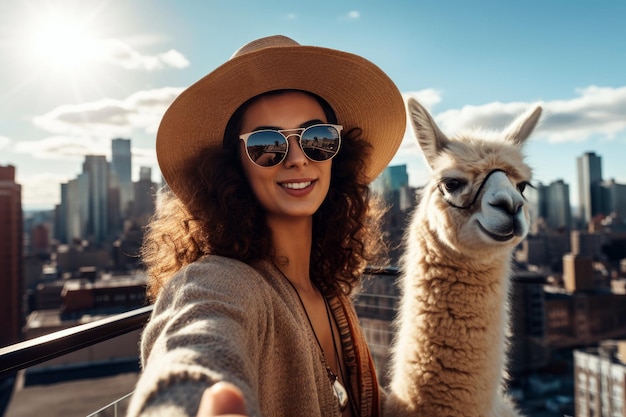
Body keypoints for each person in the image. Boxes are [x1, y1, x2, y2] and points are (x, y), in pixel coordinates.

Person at [125, 35, 406, 417]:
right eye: (266, 144)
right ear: (233, 167)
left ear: (337, 156)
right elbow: (194, 344)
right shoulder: (221, 281)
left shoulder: (329, 293)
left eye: (317, 139)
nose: (296, 159)